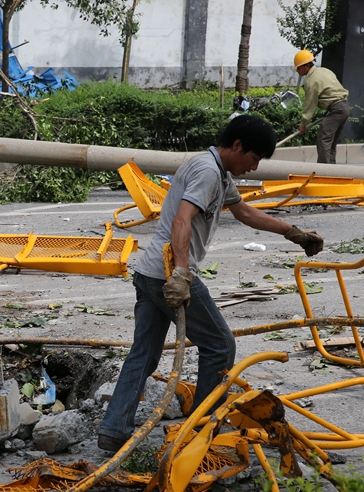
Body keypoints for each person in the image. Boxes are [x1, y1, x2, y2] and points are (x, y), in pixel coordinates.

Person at [97, 115, 324, 453]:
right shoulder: (207, 172)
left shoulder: (217, 171)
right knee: (220, 345)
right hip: (168, 274)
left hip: (149, 273)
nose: (255, 166)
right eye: (254, 158)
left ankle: (114, 430)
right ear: (236, 146)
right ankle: (201, 431)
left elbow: (245, 212)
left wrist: (292, 232)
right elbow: (181, 219)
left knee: (143, 354)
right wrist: (182, 273)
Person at [294, 49, 350, 164]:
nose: (297, 70)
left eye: (299, 67)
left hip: (336, 110)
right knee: (331, 142)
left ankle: (323, 171)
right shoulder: (324, 71)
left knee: (323, 140)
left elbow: (310, 104)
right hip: (343, 107)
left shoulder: (312, 81)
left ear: (307, 66)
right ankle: (331, 170)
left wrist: (303, 124)